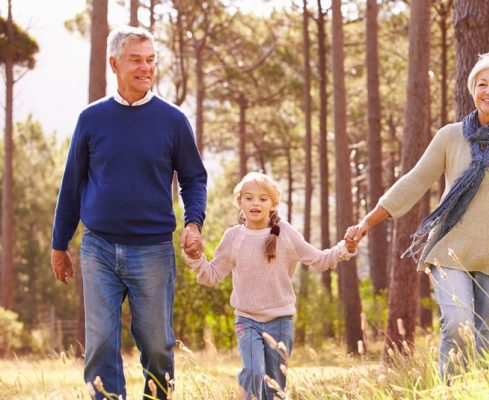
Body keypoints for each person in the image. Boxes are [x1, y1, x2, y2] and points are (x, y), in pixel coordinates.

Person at [346, 49, 489, 378]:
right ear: (472, 90)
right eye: (481, 84)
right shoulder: (451, 136)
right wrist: (367, 221)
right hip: (451, 249)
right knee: (457, 322)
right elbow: (415, 181)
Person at [50, 26, 207, 400]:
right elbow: (72, 185)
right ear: (114, 63)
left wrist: (194, 223)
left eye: (151, 59)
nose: (145, 67)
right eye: (136, 59)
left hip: (152, 250)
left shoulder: (172, 120)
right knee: (101, 344)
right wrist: (60, 244)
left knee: (156, 345)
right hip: (98, 248)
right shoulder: (91, 119)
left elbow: (194, 178)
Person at [182, 172, 357, 400]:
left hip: (281, 322)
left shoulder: (285, 234)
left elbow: (319, 259)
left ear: (273, 204)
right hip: (247, 320)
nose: (256, 203)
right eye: (249, 198)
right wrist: (195, 257)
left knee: (274, 385)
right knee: (253, 372)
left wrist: (346, 247)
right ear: (239, 202)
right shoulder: (233, 237)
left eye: (263, 199)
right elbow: (211, 276)